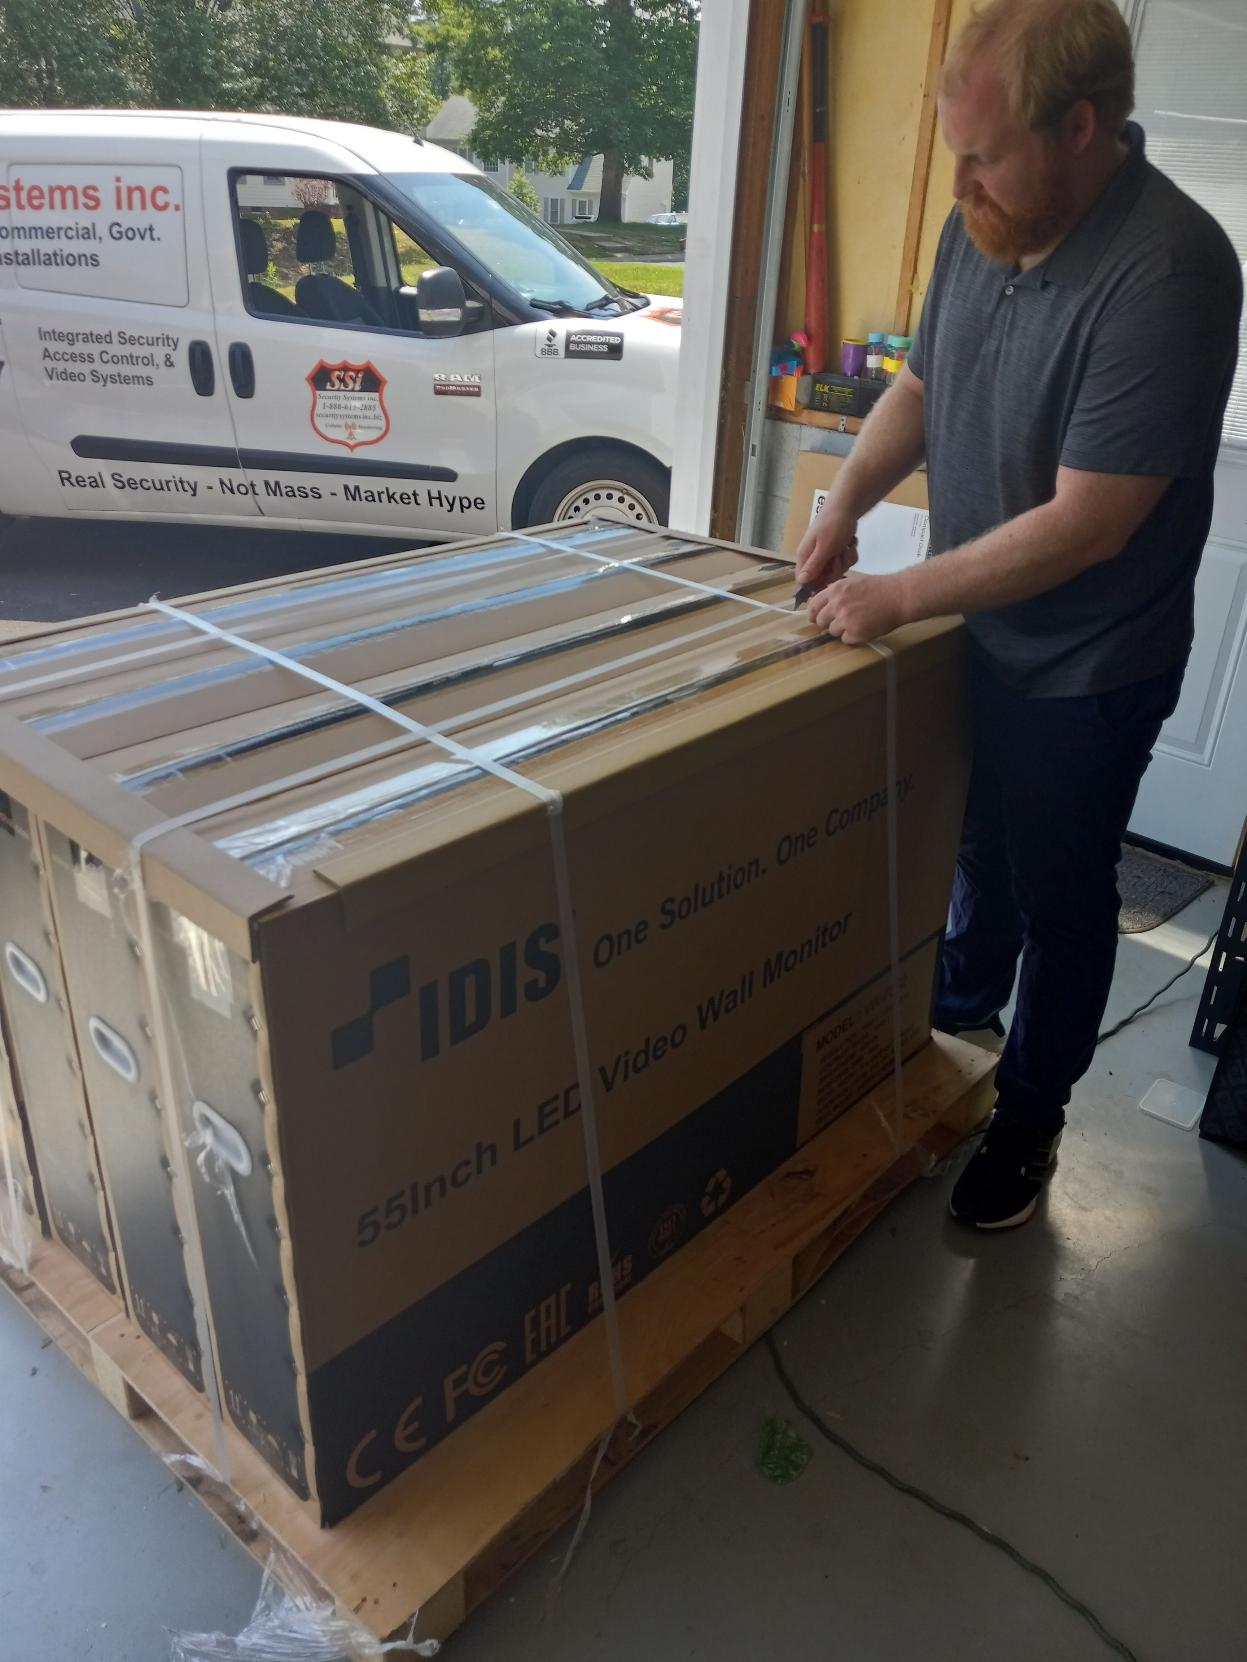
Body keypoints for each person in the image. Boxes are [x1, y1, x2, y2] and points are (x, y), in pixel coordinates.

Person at [794, 0, 1242, 1230]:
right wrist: (844, 502)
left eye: (982, 157)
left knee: (1060, 891)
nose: (962, 182)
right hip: (974, 627)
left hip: (1086, 669)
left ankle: (1030, 1121)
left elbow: (1086, 523)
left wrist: (894, 590)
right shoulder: (983, 220)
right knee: (973, 847)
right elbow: (924, 385)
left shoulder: (1172, 268)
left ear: (1080, 129)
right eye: (956, 158)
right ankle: (958, 1017)